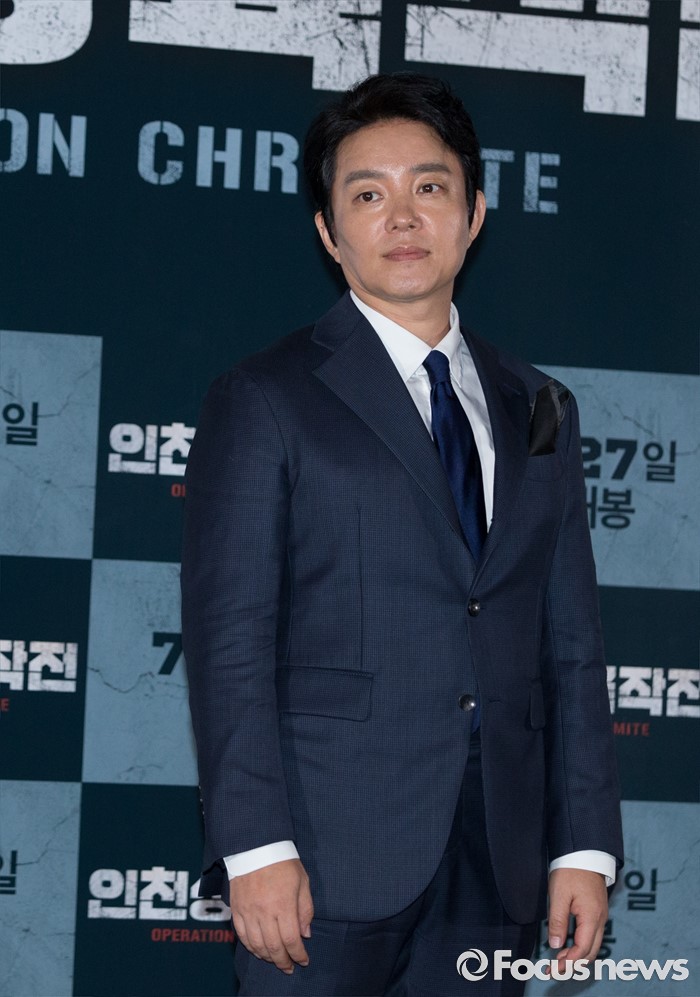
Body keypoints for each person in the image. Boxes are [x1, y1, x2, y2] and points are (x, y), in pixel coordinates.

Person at [181, 72, 623, 996]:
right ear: (328, 232)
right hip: (324, 852)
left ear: (474, 213)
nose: (404, 217)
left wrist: (584, 843)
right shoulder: (265, 396)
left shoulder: (541, 405)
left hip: (498, 855)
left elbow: (571, 640)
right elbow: (229, 637)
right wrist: (255, 845)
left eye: (429, 187)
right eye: (368, 195)